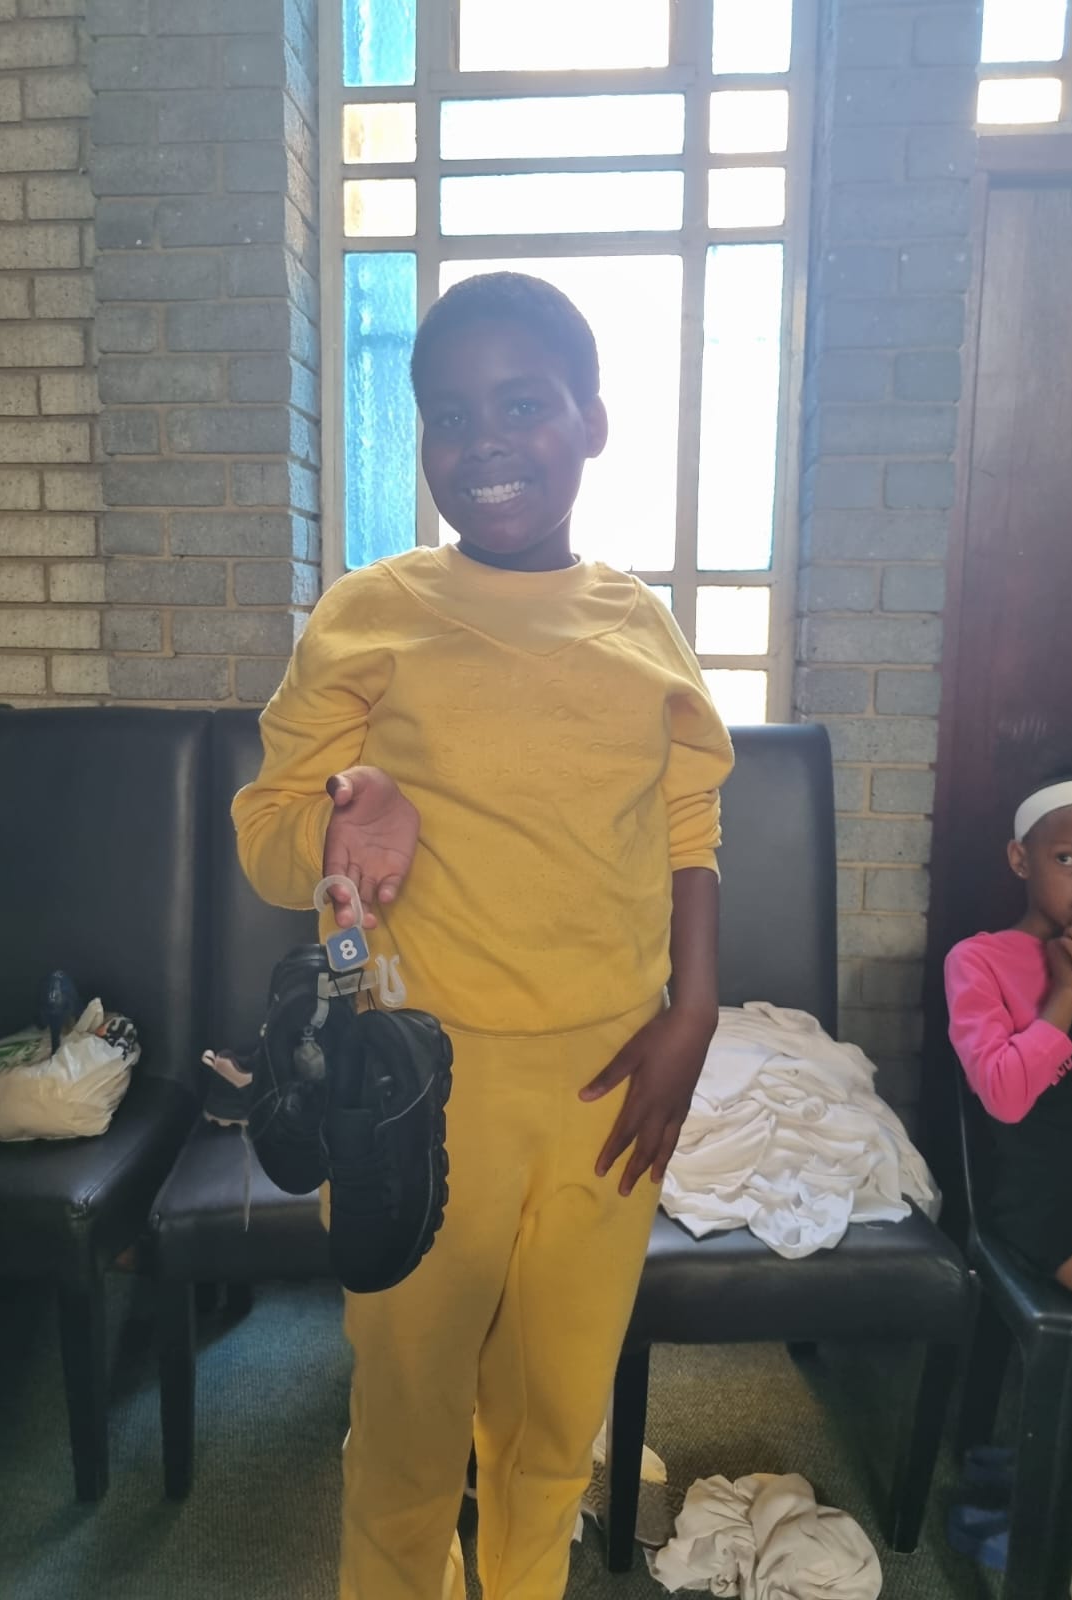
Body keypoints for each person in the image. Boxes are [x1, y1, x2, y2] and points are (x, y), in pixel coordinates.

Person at [231, 271, 734, 1600]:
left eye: (524, 404)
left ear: (592, 422)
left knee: (552, 1428)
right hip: (415, 1090)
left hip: (611, 1090)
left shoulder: (642, 628)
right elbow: (268, 830)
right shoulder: (370, 612)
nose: (484, 442)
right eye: (449, 416)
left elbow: (690, 825)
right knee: (407, 1431)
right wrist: (343, 817)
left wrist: (695, 1012)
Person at [945, 764, 1072, 1314]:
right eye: (1066, 858)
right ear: (1021, 859)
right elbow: (1005, 1096)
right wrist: (1067, 992)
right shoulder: (979, 960)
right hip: (1051, 1206)